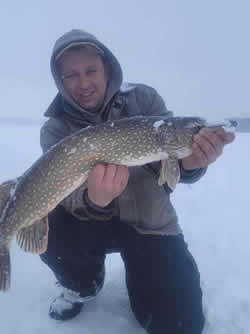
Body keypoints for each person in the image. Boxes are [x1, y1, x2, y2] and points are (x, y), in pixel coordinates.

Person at [40, 29, 235, 334]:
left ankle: (144, 277)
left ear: (107, 68)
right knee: (45, 220)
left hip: (148, 223)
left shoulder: (143, 99)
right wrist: (93, 199)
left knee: (179, 325)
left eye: (91, 70)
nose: (83, 83)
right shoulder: (55, 129)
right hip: (87, 225)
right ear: (60, 81)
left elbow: (174, 163)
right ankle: (82, 283)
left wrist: (191, 163)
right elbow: (61, 192)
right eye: (71, 75)